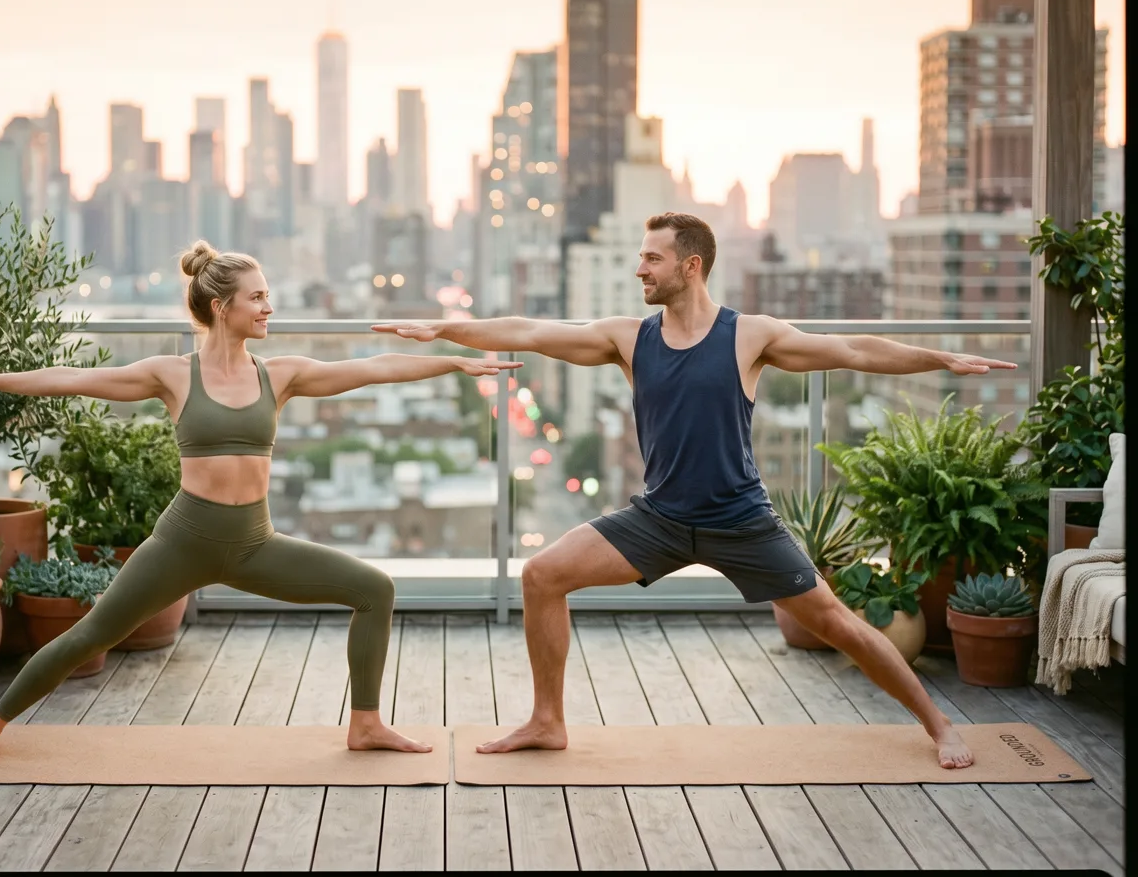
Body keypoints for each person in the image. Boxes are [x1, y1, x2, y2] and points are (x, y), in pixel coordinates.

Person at [375, 212, 1017, 770]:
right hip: (658, 519)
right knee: (543, 574)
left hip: (742, 522)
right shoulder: (629, 338)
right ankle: (549, 721)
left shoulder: (749, 336)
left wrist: (940, 359)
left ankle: (939, 725)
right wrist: (446, 330)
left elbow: (851, 349)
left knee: (839, 625)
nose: (640, 271)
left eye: (651, 259)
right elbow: (530, 332)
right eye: (639, 259)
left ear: (691, 264)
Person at [0, 241, 521, 766]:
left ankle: (365, 726)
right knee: (91, 635)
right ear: (222, 307)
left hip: (254, 544)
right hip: (182, 543)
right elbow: (70, 378)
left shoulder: (281, 374)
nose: (269, 309)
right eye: (258, 298)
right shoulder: (173, 375)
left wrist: (455, 362)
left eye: (269, 298)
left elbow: (370, 369)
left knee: (375, 589)